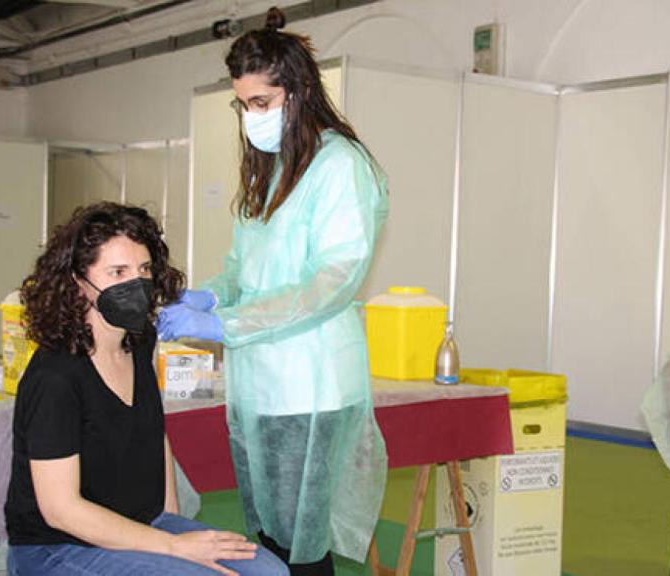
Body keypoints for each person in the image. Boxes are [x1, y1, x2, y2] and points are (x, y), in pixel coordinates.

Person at [158, 8, 390, 575]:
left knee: (302, 546)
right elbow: (244, 265)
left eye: (261, 103)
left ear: (299, 91)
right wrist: (210, 297)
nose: (250, 117)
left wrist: (228, 325)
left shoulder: (339, 167)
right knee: (269, 536)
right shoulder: (271, 169)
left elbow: (330, 283)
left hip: (310, 383)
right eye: (243, 105)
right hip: (259, 381)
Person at [4, 202, 288, 576]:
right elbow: (61, 510)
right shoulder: (55, 378)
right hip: (57, 549)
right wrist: (173, 546)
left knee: (272, 573)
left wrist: (170, 519)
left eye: (144, 269)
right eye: (117, 271)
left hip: (141, 525)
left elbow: (154, 433)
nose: (135, 284)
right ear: (77, 282)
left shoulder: (138, 341)